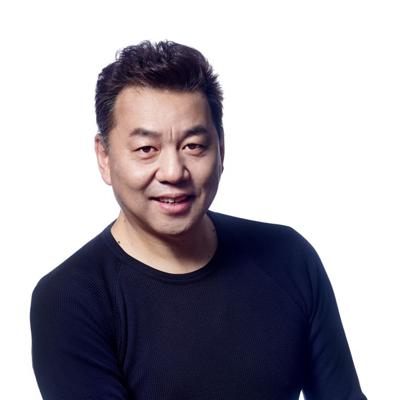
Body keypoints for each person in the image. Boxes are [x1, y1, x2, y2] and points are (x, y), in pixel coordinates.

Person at [30, 40, 367, 400]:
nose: (173, 172)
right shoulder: (70, 299)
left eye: (193, 145)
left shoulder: (289, 257)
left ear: (221, 147)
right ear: (105, 156)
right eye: (146, 149)